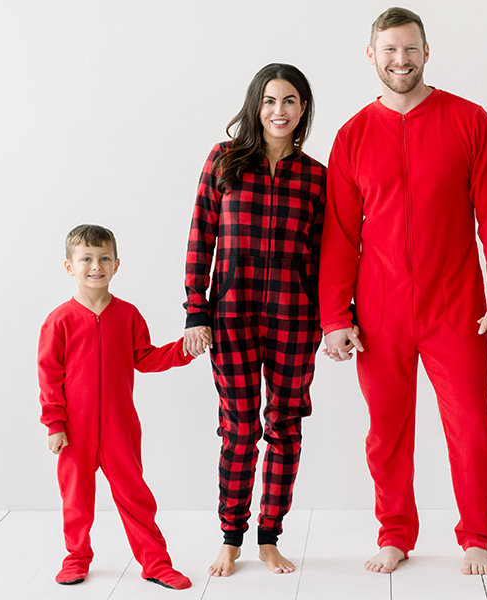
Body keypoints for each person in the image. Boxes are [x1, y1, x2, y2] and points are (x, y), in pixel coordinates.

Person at [319, 7, 487, 576]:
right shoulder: (353, 135)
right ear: (371, 56)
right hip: (378, 311)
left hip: (456, 306)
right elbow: (338, 236)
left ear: (427, 52)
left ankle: (476, 535)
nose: (400, 60)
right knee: (386, 432)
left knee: (472, 427)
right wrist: (335, 316)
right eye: (389, 51)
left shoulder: (469, 121)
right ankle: (395, 533)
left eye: (410, 49)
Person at [182, 63, 325, 578]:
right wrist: (196, 310)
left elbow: (325, 255)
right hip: (231, 316)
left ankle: (270, 537)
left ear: (303, 107)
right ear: (254, 106)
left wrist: (333, 319)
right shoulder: (223, 161)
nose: (279, 111)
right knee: (240, 429)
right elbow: (201, 236)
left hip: (295, 319)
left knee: (284, 427)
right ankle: (230, 537)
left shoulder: (316, 178)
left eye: (289, 100)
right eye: (269, 101)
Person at [38, 224, 194, 590]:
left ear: (116, 264)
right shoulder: (59, 320)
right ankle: (76, 557)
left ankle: (155, 563)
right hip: (74, 429)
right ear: (69, 267)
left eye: (104, 258)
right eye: (87, 259)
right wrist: (54, 424)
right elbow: (48, 375)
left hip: (120, 425)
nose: (96, 265)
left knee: (135, 496)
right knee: (76, 498)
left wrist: (185, 349)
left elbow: (146, 357)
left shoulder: (127, 315)